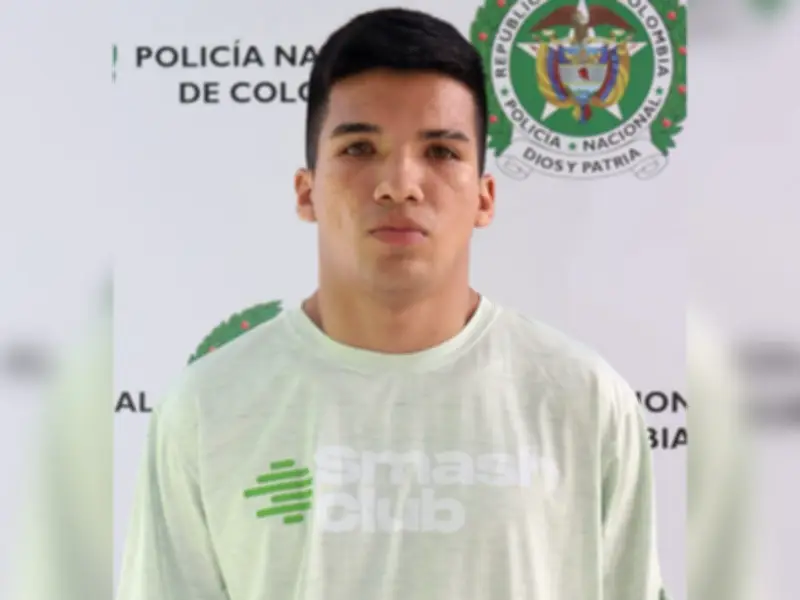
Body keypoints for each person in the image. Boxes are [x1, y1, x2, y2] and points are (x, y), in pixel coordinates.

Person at [116, 8, 670, 600]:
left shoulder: (582, 399)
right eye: (359, 148)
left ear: (485, 199)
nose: (400, 184)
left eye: (441, 152)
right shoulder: (209, 407)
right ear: (306, 192)